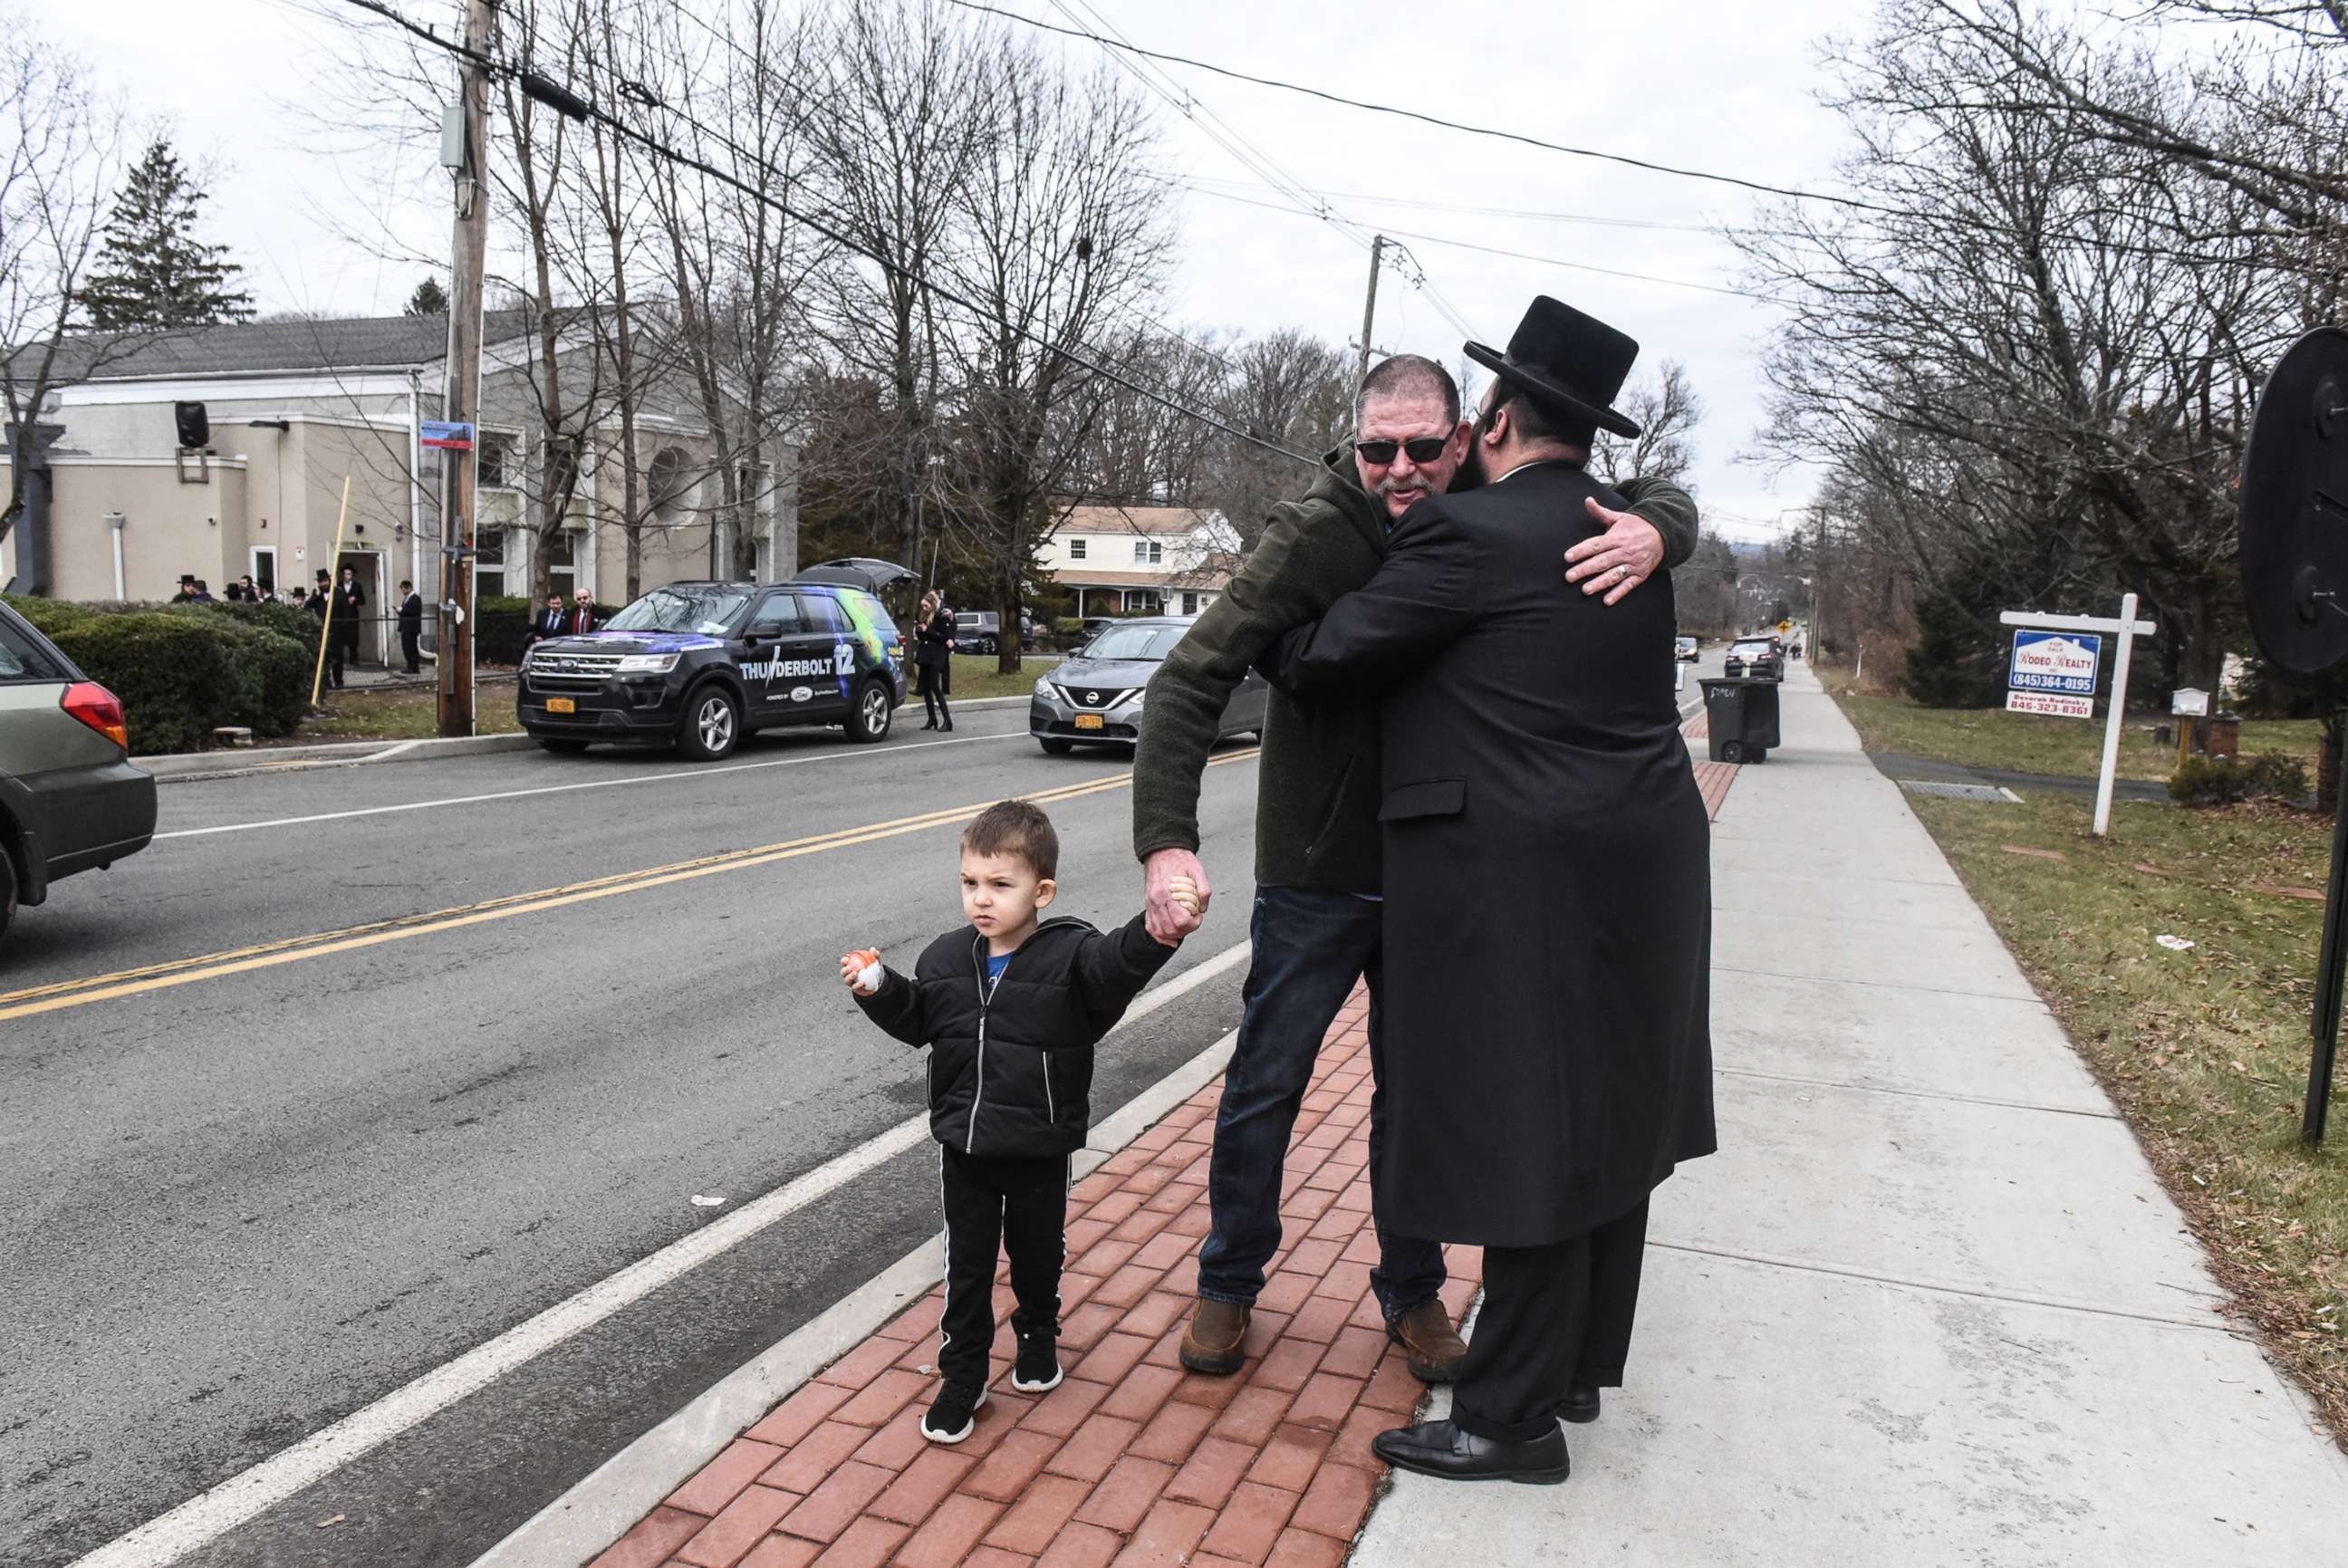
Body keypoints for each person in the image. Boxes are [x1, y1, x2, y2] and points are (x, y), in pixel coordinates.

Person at [1129, 353, 1699, 1385]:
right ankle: (1227, 1283)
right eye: (1376, 448)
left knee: (1423, 1093)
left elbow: (1637, 492)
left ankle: (1411, 1290)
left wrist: (1666, 530)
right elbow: (1187, 680)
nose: (1399, 469)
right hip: (1320, 866)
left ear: (1468, 437)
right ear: (1353, 446)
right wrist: (1167, 838)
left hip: (1443, 869)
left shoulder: (1495, 501)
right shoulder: (1316, 533)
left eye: (1423, 448)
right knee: (1267, 1081)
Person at [1261, 296, 1716, 1485]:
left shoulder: (1469, 539)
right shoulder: (1627, 537)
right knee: (1605, 1125)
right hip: (1649, 863)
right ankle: (1564, 1366)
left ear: (1498, 416)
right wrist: (1672, 519)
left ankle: (1510, 1416)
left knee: (1530, 1127)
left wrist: (1276, 614)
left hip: (1528, 878)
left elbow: (1325, 660)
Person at [839, 800, 1198, 1444]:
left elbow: (1118, 962)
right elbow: (921, 1018)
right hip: (965, 1149)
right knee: (967, 1267)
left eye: (1001, 885)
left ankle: (1037, 1336)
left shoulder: (1071, 958)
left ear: (1042, 890)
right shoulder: (947, 957)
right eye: (971, 882)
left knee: (1037, 1255)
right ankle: (963, 1376)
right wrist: (879, 989)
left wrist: (1161, 929)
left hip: (1038, 1147)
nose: (982, 898)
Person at [914, 590, 955, 731]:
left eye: (926, 606)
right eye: (923, 606)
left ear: (932, 604)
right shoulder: (925, 616)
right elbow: (923, 637)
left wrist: (927, 630)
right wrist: (920, 631)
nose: (924, 609)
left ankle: (947, 720)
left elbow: (944, 637)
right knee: (925, 689)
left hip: (937, 655)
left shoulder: (941, 616)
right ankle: (932, 718)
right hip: (926, 655)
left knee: (935, 687)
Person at [329, 565, 364, 688]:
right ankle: (341, 660)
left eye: (349, 574)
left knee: (353, 636)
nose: (347, 576)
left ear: (352, 575)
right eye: (345, 574)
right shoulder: (338, 586)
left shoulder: (357, 586)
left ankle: (354, 658)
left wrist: (355, 599)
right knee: (341, 637)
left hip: (352, 615)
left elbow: (363, 600)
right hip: (341, 615)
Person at [397, 579, 425, 675]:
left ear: (408, 588)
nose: (402, 592)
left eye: (403, 589)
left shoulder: (415, 598)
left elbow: (415, 612)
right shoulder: (407, 598)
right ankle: (410, 667)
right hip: (405, 627)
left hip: (411, 628)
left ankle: (414, 668)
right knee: (406, 648)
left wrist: (402, 611)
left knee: (411, 648)